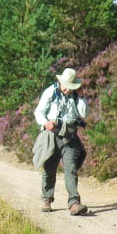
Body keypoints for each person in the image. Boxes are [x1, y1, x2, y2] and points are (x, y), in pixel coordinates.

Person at [33, 68, 89, 216]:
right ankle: (47, 199)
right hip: (52, 135)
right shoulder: (50, 92)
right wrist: (45, 123)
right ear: (60, 82)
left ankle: (74, 203)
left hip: (70, 136)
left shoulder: (76, 95)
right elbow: (39, 112)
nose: (68, 90)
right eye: (66, 87)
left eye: (71, 87)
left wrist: (81, 96)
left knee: (71, 170)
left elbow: (83, 113)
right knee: (49, 169)